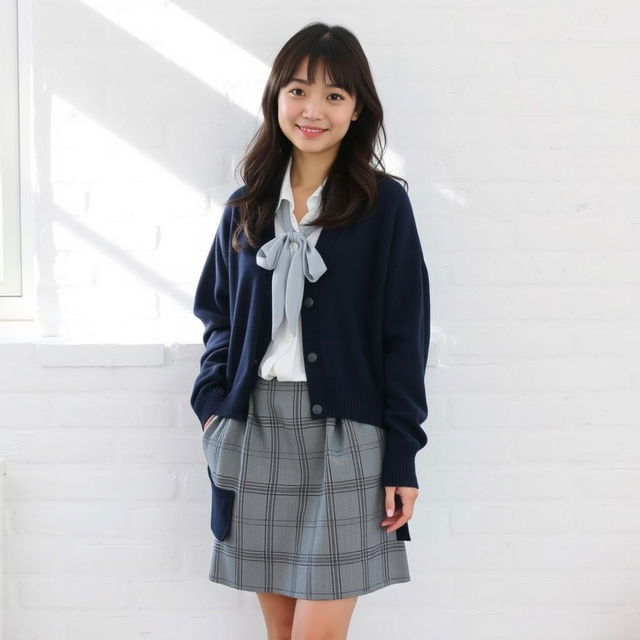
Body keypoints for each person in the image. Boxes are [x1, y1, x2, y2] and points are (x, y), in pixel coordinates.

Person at [191, 21, 431, 639]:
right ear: (277, 99)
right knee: (280, 635)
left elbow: (405, 337)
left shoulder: (384, 208)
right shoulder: (245, 208)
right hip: (254, 429)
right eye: (299, 91)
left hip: (347, 437)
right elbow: (217, 317)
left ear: (357, 111)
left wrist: (402, 454)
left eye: (334, 95)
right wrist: (215, 407)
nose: (313, 110)